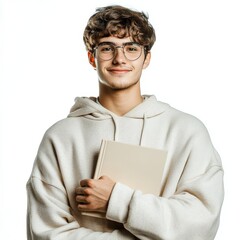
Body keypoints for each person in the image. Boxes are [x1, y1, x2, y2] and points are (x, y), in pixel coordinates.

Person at [26, 5, 224, 240]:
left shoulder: (188, 132)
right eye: (107, 48)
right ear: (92, 57)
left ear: (146, 58)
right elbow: (47, 233)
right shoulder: (59, 137)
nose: (120, 58)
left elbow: (200, 225)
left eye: (131, 48)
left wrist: (116, 201)